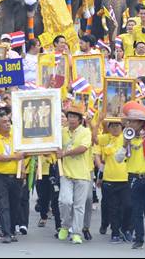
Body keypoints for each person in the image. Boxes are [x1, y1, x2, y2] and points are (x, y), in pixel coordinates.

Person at [121, 103, 145, 249]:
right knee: (136, 209)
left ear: (141, 123)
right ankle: (138, 239)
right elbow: (119, 158)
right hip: (133, 177)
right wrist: (125, 143)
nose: (131, 124)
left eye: (134, 121)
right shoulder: (126, 136)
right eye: (130, 121)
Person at [57, 104, 92, 245]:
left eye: (74, 117)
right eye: (69, 116)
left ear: (79, 119)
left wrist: (65, 153)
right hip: (66, 173)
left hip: (82, 174)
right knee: (65, 201)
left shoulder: (85, 132)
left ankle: (76, 233)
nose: (71, 119)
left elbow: (83, 148)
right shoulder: (61, 131)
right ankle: (65, 225)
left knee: (79, 206)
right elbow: (53, 145)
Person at [93, 120, 132, 243]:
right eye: (112, 126)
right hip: (109, 179)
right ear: (108, 128)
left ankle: (125, 229)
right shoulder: (106, 138)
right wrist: (94, 125)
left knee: (128, 206)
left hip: (126, 179)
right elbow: (94, 139)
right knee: (113, 208)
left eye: (117, 125)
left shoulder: (127, 137)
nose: (115, 128)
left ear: (122, 127)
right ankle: (115, 233)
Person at [0, 112, 25, 243]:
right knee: (3, 204)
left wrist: (23, 170)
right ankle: (6, 233)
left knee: (15, 204)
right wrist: (14, 157)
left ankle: (11, 231)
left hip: (16, 176)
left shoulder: (15, 137)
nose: (7, 124)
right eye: (4, 122)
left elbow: (22, 154)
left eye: (8, 121)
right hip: (0, 177)